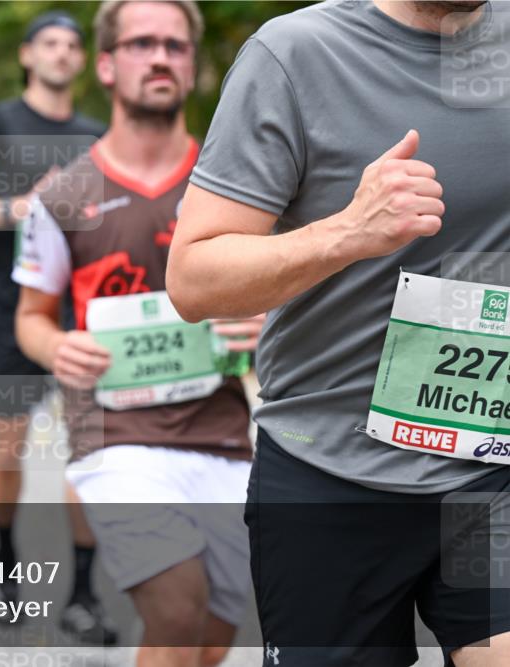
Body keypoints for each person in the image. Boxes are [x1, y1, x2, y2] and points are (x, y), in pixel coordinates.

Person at [166, 1, 510, 665]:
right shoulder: (293, 55)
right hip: (327, 473)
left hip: (486, 467)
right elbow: (192, 278)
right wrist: (348, 231)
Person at [14, 3, 264, 664]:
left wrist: (264, 319)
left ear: (194, 67)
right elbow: (31, 317)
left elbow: (281, 290)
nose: (160, 57)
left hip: (223, 435)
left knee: (210, 633)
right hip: (114, 435)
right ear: (105, 64)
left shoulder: (240, 184)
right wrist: (55, 346)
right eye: (142, 43)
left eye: (176, 46)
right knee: (177, 608)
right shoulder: (62, 195)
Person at [0, 11, 116, 641]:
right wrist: (21, 206)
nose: (63, 54)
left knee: (87, 447)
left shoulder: (101, 134)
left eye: (73, 45)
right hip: (11, 309)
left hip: (83, 310)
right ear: (27, 55)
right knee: (11, 442)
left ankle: (84, 594)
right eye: (51, 44)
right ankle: (7, 564)